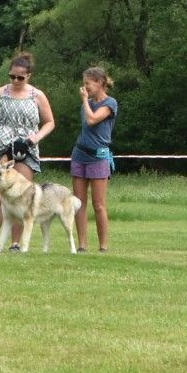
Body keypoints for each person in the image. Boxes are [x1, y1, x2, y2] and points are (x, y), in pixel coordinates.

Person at [0, 52, 56, 253]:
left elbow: (50, 122)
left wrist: (34, 138)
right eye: (12, 76)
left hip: (26, 149)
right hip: (0, 147)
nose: (15, 81)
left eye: (20, 77)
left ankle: (15, 243)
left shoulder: (37, 95)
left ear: (29, 76)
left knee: (21, 197)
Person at [70, 67, 118, 253]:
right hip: (79, 155)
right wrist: (85, 101)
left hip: (98, 157)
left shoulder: (110, 103)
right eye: (84, 84)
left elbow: (92, 120)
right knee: (79, 203)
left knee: (98, 204)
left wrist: (84, 101)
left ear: (99, 83)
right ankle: (82, 245)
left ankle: (103, 246)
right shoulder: (87, 103)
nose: (85, 87)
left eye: (88, 83)